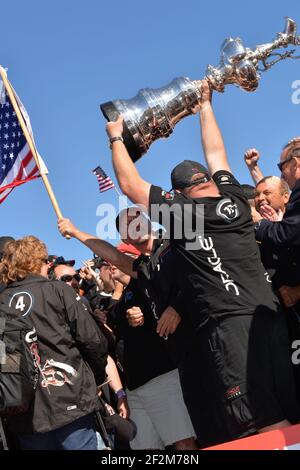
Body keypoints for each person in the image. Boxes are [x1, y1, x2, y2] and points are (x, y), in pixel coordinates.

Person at [104, 79, 300, 447]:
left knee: (262, 424)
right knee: (286, 420)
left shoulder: (185, 214)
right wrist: (205, 106)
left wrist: (116, 136)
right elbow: (218, 155)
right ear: (209, 181)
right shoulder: (233, 200)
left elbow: (130, 185)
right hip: (268, 317)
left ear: (177, 194)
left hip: (231, 330)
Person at [0, 236, 108, 450]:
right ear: (34, 262)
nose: (47, 265)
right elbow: (93, 341)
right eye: (44, 261)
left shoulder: (2, 303)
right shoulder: (58, 291)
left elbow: (4, 357)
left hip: (25, 416)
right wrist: (94, 379)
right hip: (71, 402)